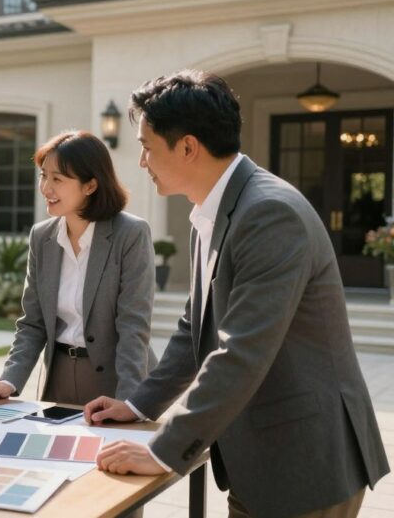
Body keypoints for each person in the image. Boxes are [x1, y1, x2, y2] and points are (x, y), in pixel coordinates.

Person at [84, 70, 389, 518]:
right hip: (262, 462)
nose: (142, 162)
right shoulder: (210, 211)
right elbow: (197, 327)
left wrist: (162, 451)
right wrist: (138, 404)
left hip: (304, 465)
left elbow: (241, 350)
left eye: (147, 147)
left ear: (187, 147)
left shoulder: (268, 213)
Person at [0, 131, 156, 407]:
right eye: (43, 176)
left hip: (115, 381)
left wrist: (128, 402)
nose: (46, 188)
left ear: (90, 185)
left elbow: (134, 326)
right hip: (57, 379)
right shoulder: (42, 237)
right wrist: (9, 381)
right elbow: (32, 322)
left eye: (57, 179)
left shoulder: (130, 234)